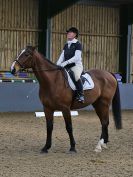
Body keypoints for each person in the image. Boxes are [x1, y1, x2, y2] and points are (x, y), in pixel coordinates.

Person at [57, 27, 84, 103]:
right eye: (68, 32)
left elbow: (77, 57)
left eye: (70, 32)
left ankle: (81, 95)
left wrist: (66, 62)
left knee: (76, 76)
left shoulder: (78, 44)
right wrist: (57, 64)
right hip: (67, 66)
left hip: (76, 66)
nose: (68, 33)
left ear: (75, 35)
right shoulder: (66, 45)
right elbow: (62, 56)